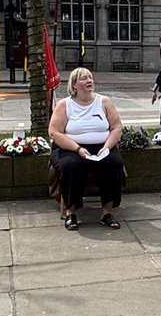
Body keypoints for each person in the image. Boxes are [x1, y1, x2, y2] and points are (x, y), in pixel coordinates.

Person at [48, 67, 124, 230]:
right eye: (84, 78)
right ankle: (71, 213)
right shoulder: (64, 105)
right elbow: (54, 132)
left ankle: (107, 213)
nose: (89, 80)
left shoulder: (104, 102)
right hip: (70, 147)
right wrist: (77, 149)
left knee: (114, 164)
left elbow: (116, 127)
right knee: (71, 166)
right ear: (74, 84)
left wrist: (107, 147)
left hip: (102, 146)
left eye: (90, 77)